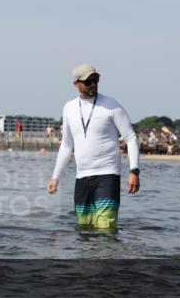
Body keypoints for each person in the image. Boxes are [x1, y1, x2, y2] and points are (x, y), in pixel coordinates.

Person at [46, 64, 140, 229]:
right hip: (82, 177)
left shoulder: (111, 105)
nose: (93, 84)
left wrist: (134, 171)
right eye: (88, 81)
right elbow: (67, 145)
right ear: (76, 84)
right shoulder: (69, 108)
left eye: (96, 80)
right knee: (85, 230)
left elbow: (130, 137)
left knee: (105, 231)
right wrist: (55, 176)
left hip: (107, 175)